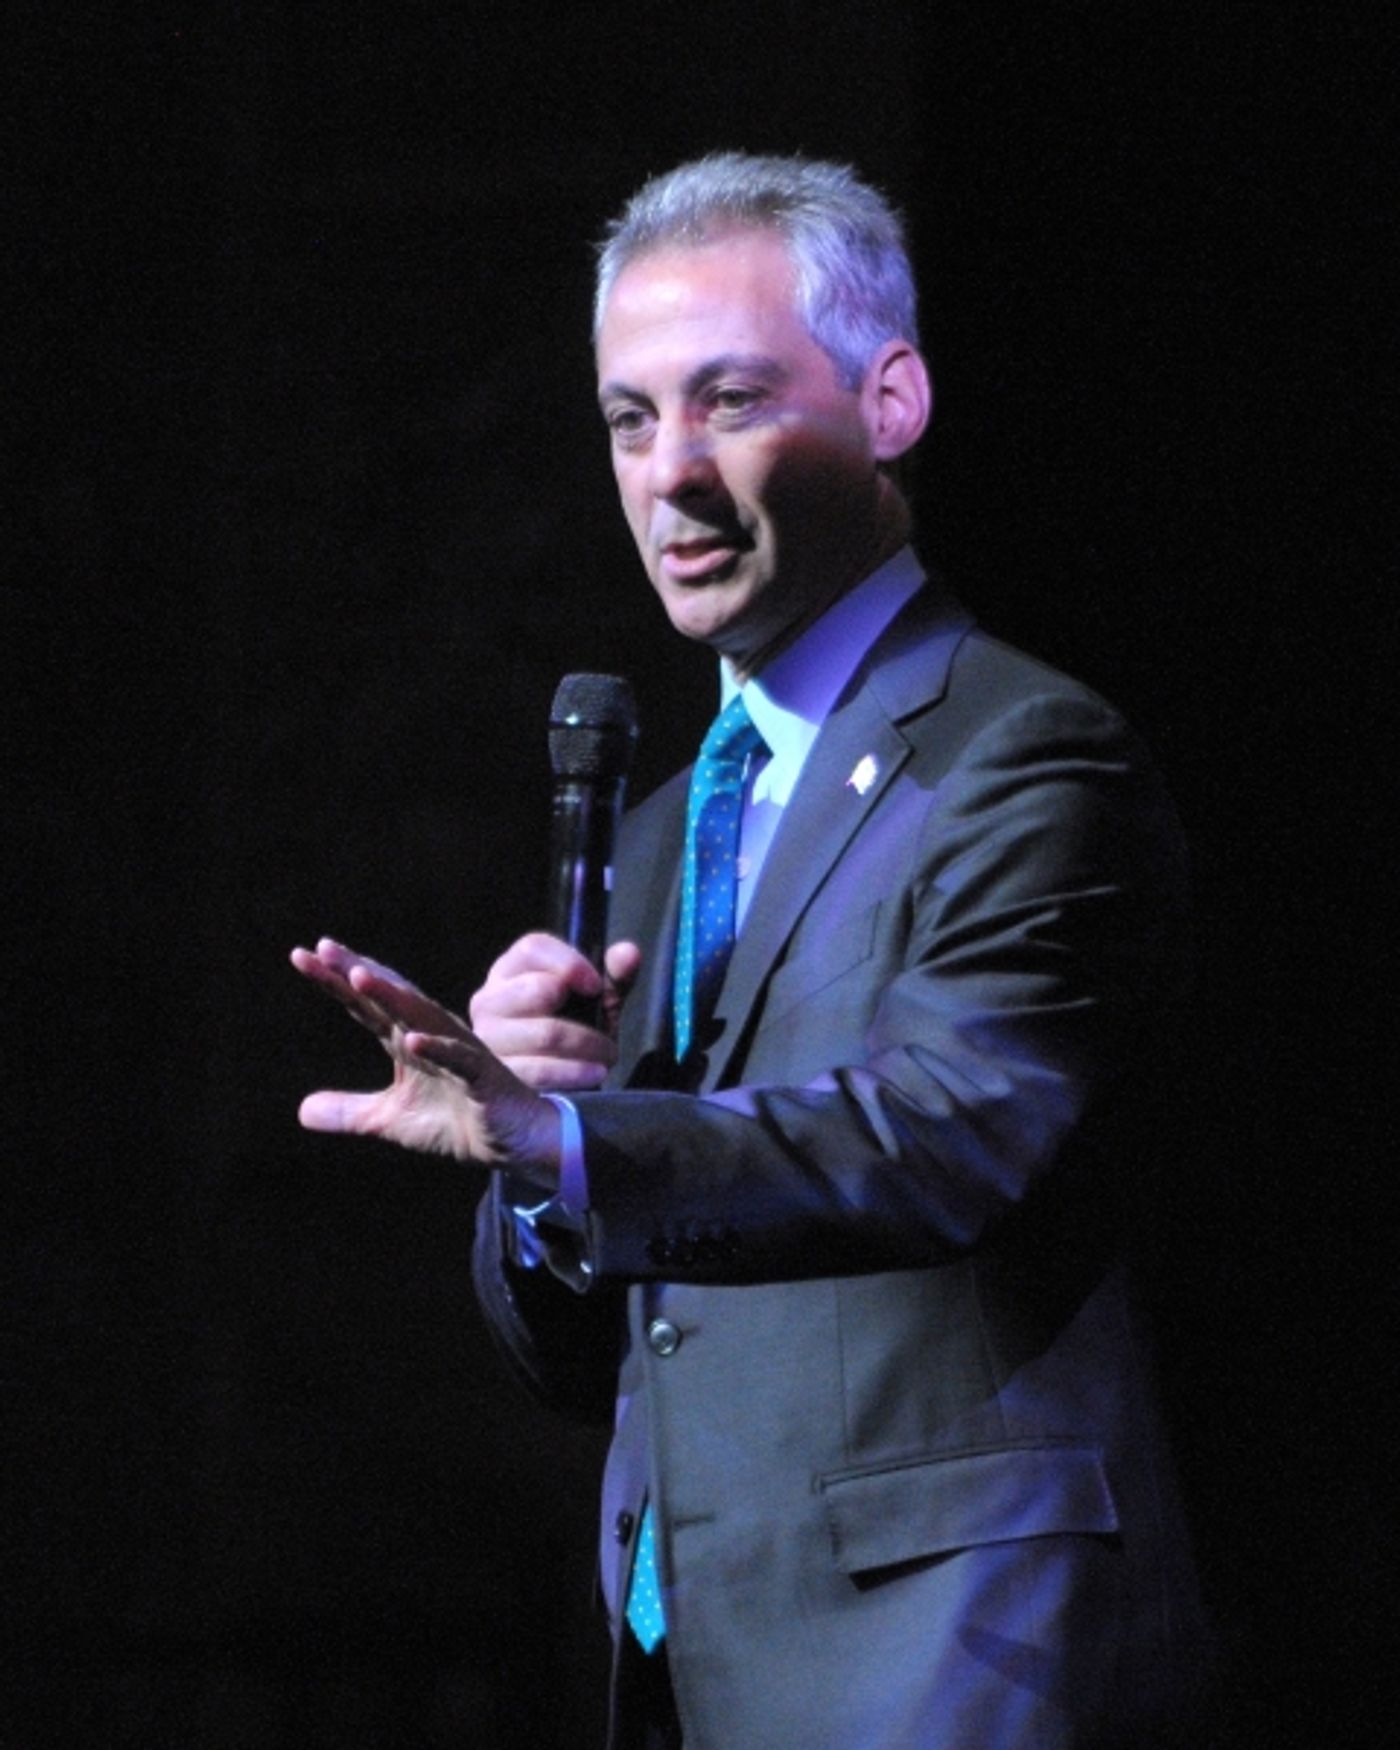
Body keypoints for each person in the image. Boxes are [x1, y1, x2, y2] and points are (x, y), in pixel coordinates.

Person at [293, 153, 1211, 1748]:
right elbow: (612, 1338)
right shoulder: (656, 832)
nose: (673, 475)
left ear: (894, 399)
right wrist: (536, 1164)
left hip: (955, 1650)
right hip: (690, 1658)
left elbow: (949, 1134)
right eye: (631, 419)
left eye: (730, 400)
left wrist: (576, 1138)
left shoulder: (1025, 754)